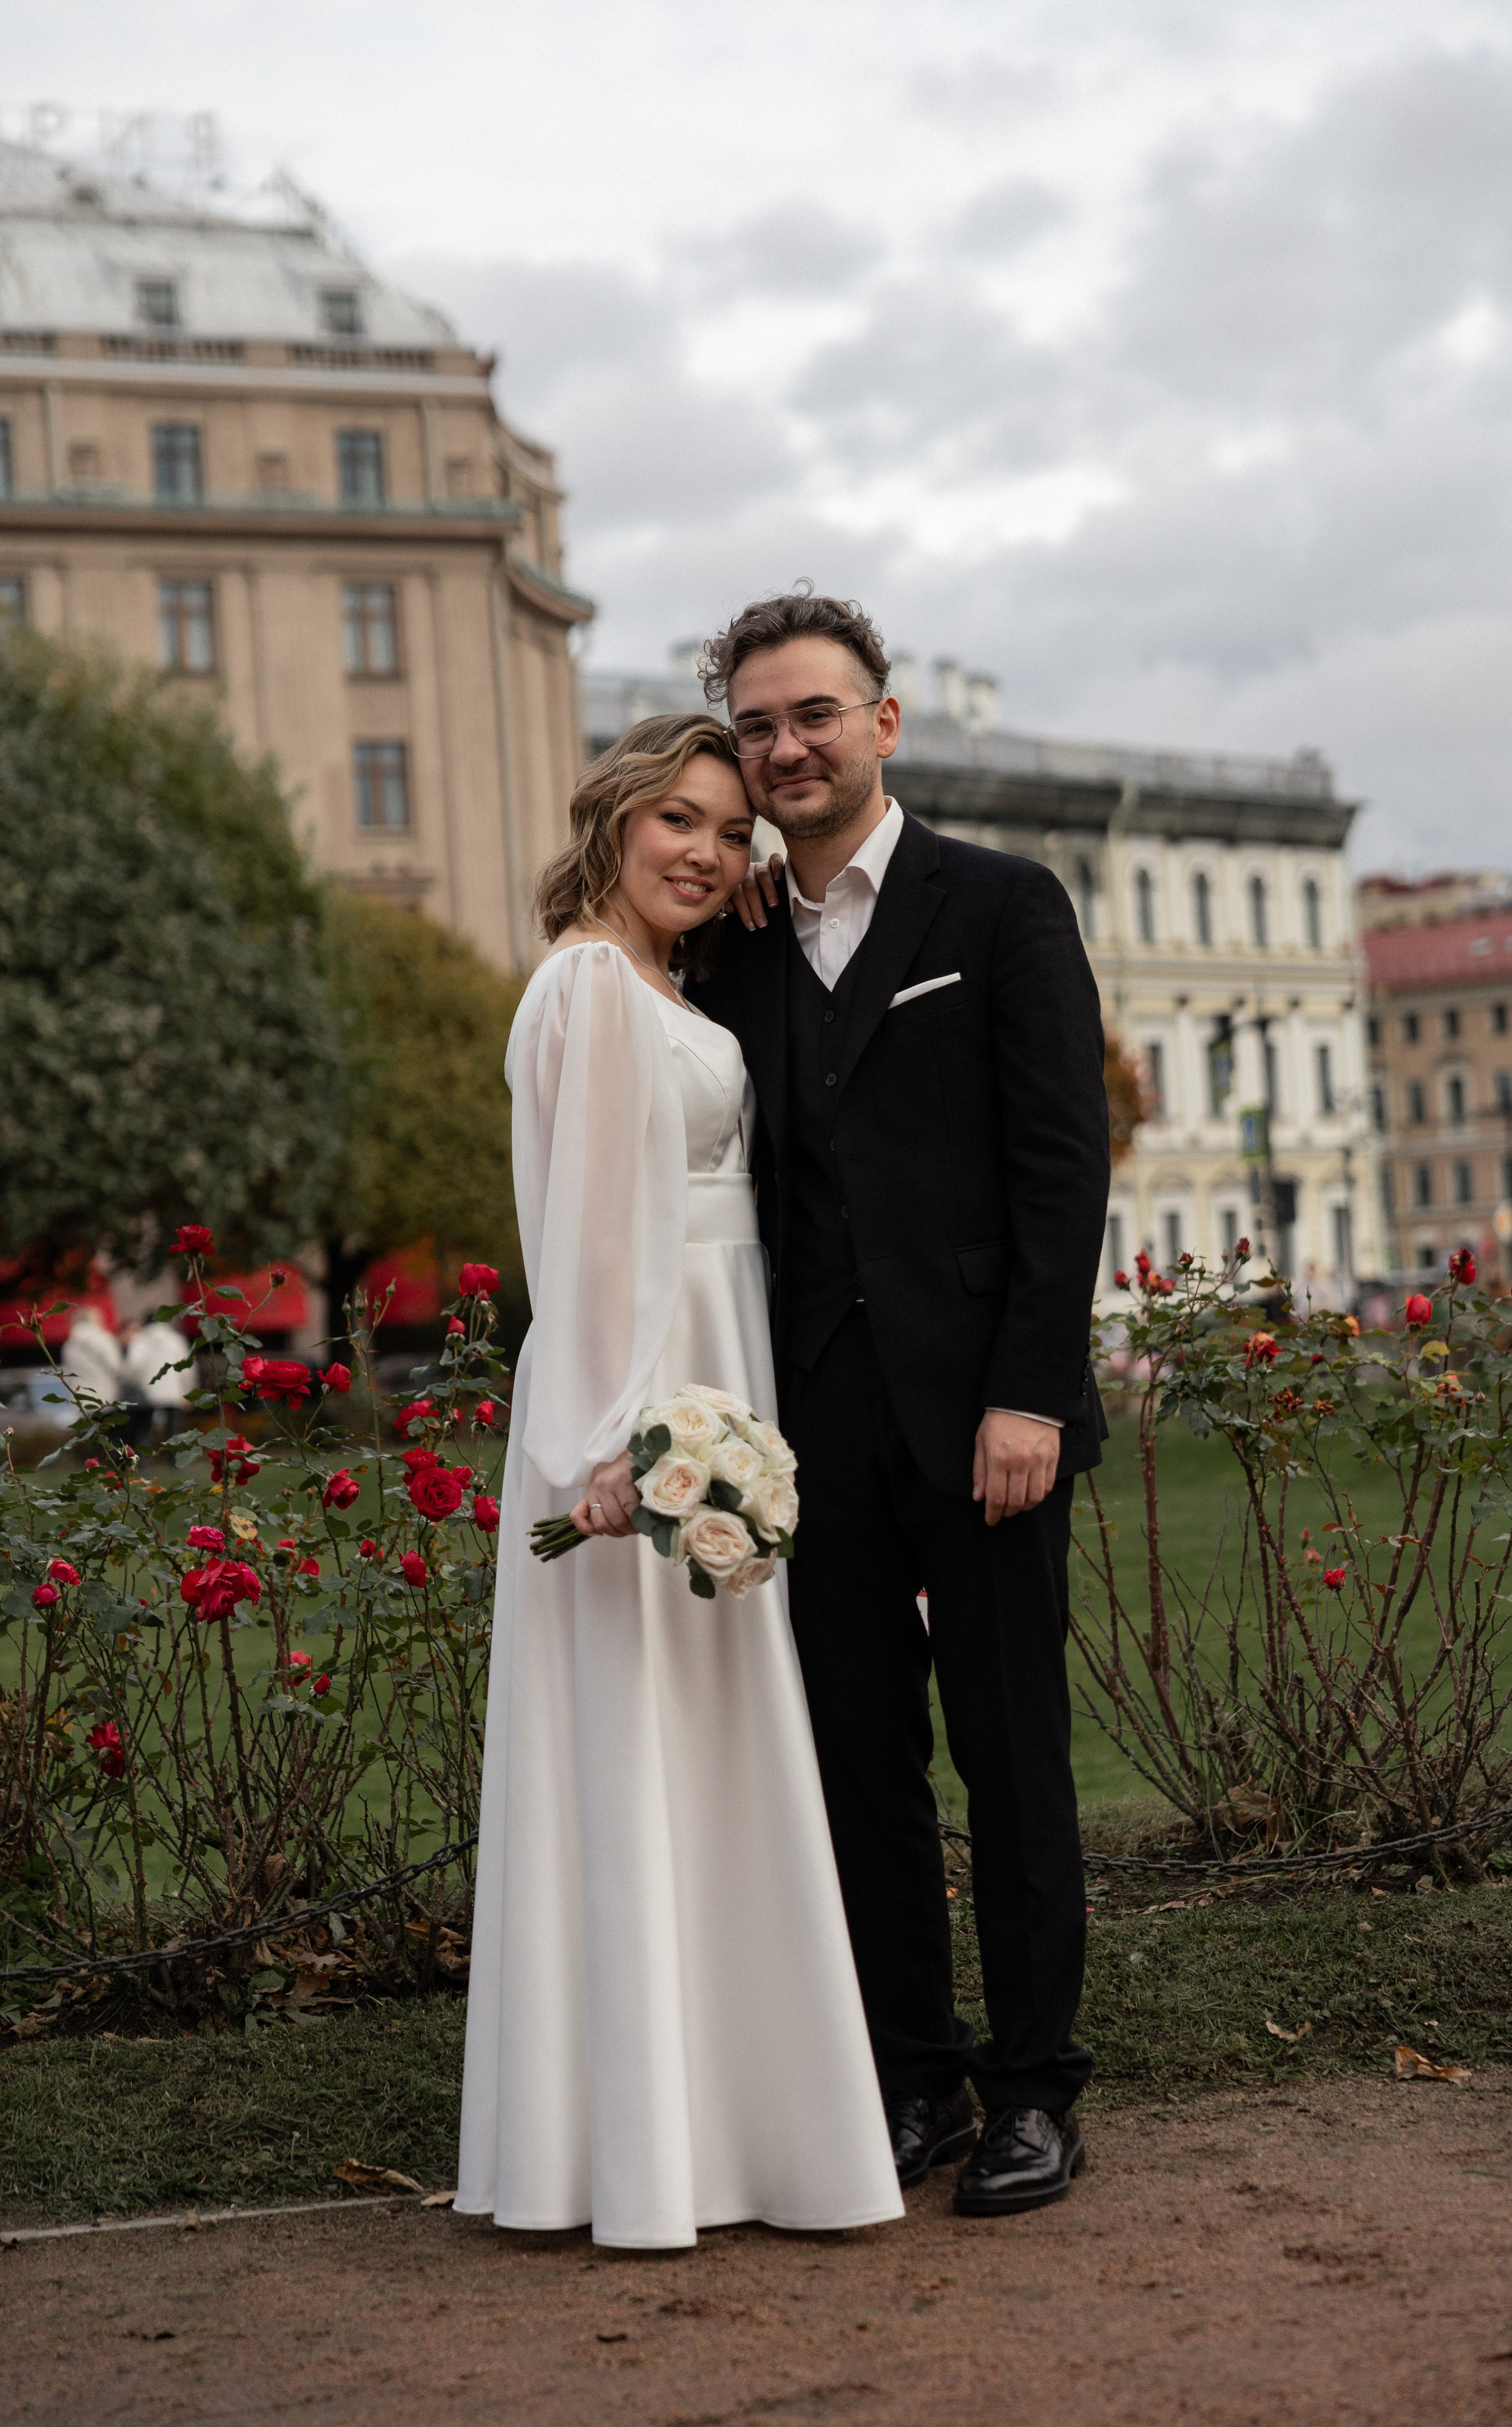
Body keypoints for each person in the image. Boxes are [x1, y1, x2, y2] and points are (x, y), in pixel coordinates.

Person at [456, 713, 902, 2249]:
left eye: (731, 833)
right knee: (655, 1747)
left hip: (713, 1367)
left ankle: (718, 2126)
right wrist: (606, 1449)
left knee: (710, 1746)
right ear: (615, 817)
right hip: (643, 1400)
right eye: (681, 821)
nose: (707, 853)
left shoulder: (660, 984)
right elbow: (581, 1238)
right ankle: (650, 2150)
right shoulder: (589, 986)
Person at [689, 590, 1110, 2217]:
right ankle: (911, 2070)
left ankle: (1035, 2086)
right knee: (856, 1758)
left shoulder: (999, 905)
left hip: (981, 1417)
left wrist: (1027, 1391)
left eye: (812, 713)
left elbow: (1060, 1167)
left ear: (882, 723)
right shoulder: (729, 944)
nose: (783, 745)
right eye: (755, 724)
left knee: (1011, 1756)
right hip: (806, 1427)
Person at [119, 1315, 193, 1450]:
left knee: (144, 1429)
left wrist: (130, 1382)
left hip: (148, 1392)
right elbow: (187, 1368)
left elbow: (134, 1366)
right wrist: (188, 1391)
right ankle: (175, 1461)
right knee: (173, 1429)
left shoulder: (141, 1340)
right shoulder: (176, 1339)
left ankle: (143, 1460)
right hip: (173, 1391)